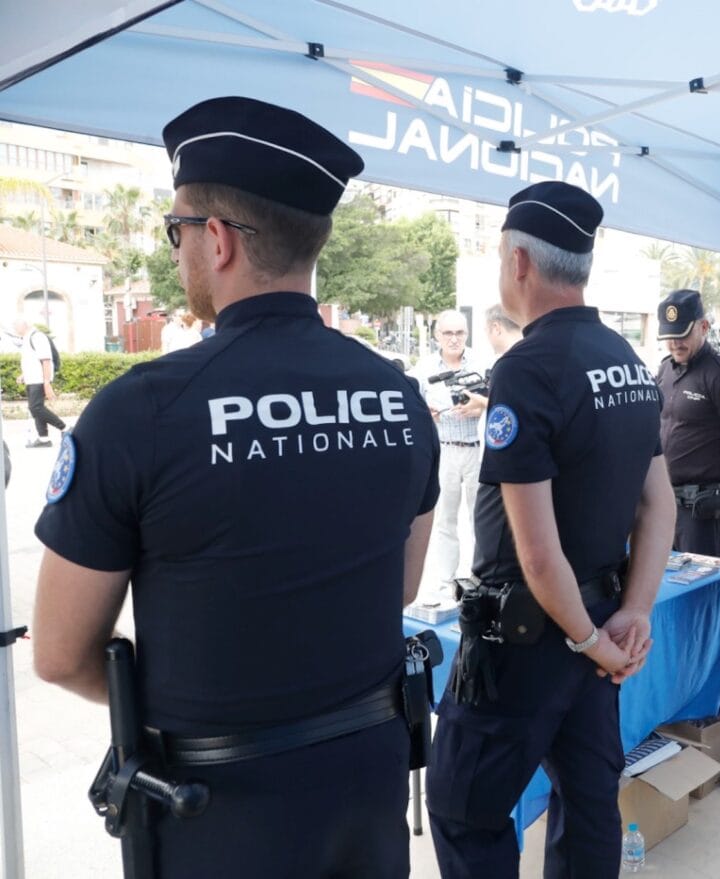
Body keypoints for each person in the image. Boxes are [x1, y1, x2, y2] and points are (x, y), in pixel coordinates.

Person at [30, 96, 440, 878]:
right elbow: (400, 583)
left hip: (218, 813)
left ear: (215, 240)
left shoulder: (141, 409)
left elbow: (57, 652)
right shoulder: (399, 396)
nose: (178, 251)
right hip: (366, 787)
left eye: (176, 231)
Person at [426, 181, 674, 879]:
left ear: (519, 264)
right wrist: (629, 616)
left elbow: (535, 550)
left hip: (532, 639)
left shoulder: (527, 369)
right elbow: (660, 506)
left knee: (462, 808)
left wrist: (598, 638)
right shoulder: (625, 357)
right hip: (593, 621)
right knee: (589, 797)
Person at [655, 288, 720, 557]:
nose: (675, 343)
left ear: (704, 326)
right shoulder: (665, 369)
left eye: (683, 334)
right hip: (664, 504)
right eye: (670, 336)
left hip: (701, 512)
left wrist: (719, 486)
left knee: (702, 592)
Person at [410, 309, 487, 603]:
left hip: (476, 448)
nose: (454, 339)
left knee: (480, 517)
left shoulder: (481, 364)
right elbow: (412, 400)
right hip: (444, 449)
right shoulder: (425, 367)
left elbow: (497, 400)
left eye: (460, 333)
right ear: (436, 336)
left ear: (467, 334)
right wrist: (426, 413)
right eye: (448, 333)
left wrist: (481, 406)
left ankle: (481, 577)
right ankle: (445, 580)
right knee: (445, 519)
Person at [14, 317, 66, 448]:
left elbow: (46, 360)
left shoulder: (37, 337)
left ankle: (65, 428)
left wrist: (47, 382)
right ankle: (44, 439)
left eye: (16, 325)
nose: (14, 328)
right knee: (36, 409)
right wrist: (23, 375)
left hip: (39, 379)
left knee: (36, 408)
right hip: (32, 379)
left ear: (24, 325)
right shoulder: (26, 338)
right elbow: (32, 362)